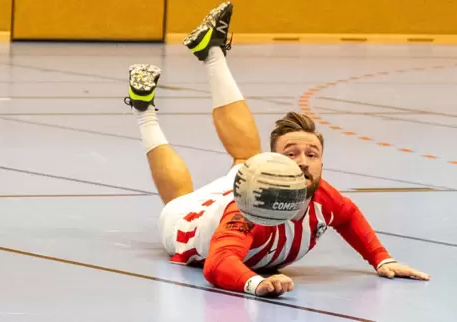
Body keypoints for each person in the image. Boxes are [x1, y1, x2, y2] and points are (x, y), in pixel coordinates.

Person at [124, 1, 430, 298]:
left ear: (323, 163)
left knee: (246, 159)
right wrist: (256, 283)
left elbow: (348, 216)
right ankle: (146, 111)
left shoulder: (321, 194)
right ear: (273, 161)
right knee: (179, 202)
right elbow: (217, 263)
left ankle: (209, 53)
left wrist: (382, 259)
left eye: (312, 155)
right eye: (291, 154)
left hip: (234, 198)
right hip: (184, 227)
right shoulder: (249, 208)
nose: (302, 162)